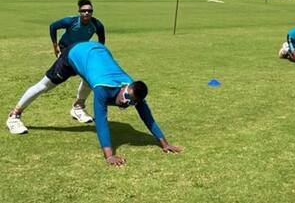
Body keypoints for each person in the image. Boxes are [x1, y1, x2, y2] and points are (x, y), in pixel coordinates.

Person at [6, 42, 182, 166]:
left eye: (132, 103)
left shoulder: (133, 91)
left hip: (99, 52)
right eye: (127, 99)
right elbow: (102, 121)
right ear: (124, 88)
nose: (126, 103)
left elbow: (147, 117)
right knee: (45, 86)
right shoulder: (103, 90)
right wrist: (109, 155)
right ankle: (15, 114)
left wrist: (164, 143)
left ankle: (77, 107)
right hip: (75, 53)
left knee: (89, 77)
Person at [49, 0, 106, 123]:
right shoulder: (70, 21)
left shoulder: (97, 24)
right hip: (66, 49)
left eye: (89, 11)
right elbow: (53, 26)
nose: (87, 13)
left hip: (81, 51)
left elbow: (101, 40)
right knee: (51, 82)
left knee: (89, 77)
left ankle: (78, 107)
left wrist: (98, 53)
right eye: (84, 11)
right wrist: (55, 46)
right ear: (79, 11)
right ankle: (78, 107)